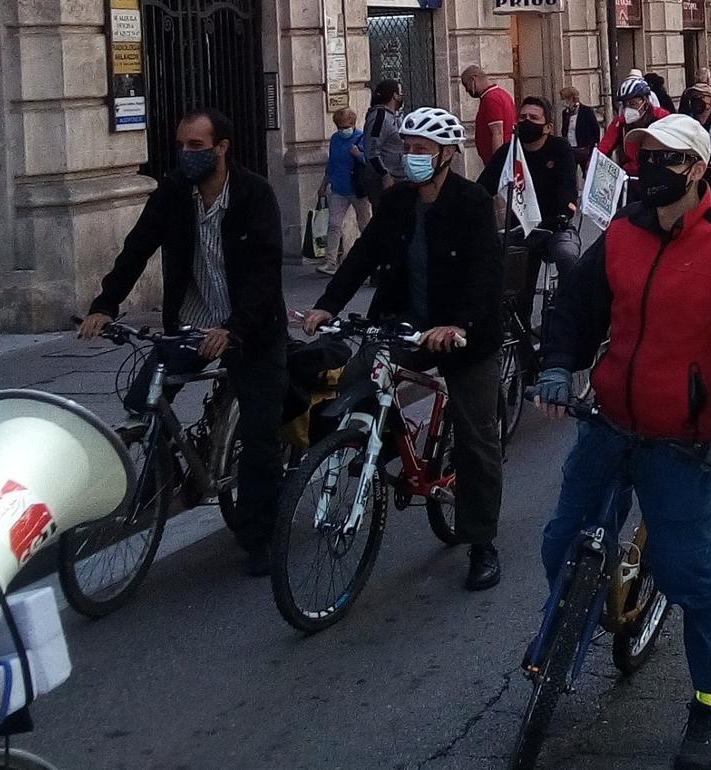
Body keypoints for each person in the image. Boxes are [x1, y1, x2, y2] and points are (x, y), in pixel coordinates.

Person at [532, 113, 711, 770]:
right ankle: (569, 637)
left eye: (668, 158)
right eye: (644, 155)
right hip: (611, 422)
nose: (650, 168)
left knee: (691, 576)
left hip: (686, 443)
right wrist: (558, 363)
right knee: (562, 542)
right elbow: (576, 309)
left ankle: (710, 707)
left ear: (699, 169)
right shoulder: (621, 234)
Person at [298, 107, 507, 591]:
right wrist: (326, 306)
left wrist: (459, 324)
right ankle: (367, 448)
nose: (411, 157)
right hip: (406, 325)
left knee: (477, 439)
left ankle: (481, 543)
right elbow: (363, 256)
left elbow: (486, 277)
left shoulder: (473, 202)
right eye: (407, 148)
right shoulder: (396, 204)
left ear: (448, 155)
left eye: (422, 150)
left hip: (463, 333)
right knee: (356, 378)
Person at [79, 108, 288, 577]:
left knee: (260, 435)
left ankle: (259, 537)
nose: (186, 154)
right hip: (191, 325)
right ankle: (162, 468)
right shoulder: (174, 192)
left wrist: (234, 328)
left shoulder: (254, 194)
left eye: (196, 146)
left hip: (249, 330)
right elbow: (137, 247)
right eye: (181, 146)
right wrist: (105, 305)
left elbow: (263, 273)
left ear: (221, 148)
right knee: (143, 401)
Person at [478, 96, 578, 324]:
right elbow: (482, 190)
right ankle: (520, 344)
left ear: (548, 127)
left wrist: (564, 212)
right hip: (520, 230)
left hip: (556, 227)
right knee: (514, 295)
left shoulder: (559, 148)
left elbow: (567, 186)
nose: (526, 121)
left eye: (533, 118)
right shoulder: (508, 152)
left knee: (568, 256)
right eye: (522, 117)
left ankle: (568, 314)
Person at [315, 107, 373, 276]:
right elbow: (331, 164)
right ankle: (330, 261)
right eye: (339, 127)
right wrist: (323, 185)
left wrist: (358, 155)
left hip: (357, 189)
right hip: (339, 188)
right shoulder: (334, 139)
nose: (342, 130)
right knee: (334, 225)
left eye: (344, 126)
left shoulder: (361, 138)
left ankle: (370, 258)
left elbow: (369, 161)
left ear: (352, 124)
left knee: (365, 225)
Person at [598, 76, 672, 178]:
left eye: (632, 103)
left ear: (645, 101)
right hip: (631, 177)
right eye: (624, 104)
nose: (627, 108)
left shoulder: (662, 118)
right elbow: (603, 148)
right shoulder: (620, 122)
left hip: (658, 175)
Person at [362, 79, 406, 213]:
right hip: (384, 182)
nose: (402, 97)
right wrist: (385, 175)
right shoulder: (380, 117)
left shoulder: (392, 116)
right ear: (394, 95)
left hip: (397, 178)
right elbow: (372, 150)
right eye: (400, 93)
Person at [461, 65, 517, 165]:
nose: (467, 90)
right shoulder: (502, 94)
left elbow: (497, 133)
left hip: (499, 160)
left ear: (473, 79)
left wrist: (497, 164)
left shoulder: (490, 99)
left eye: (466, 85)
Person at [560, 85, 601, 175]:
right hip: (571, 149)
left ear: (572, 98)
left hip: (584, 149)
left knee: (588, 174)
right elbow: (565, 129)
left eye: (565, 99)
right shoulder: (565, 113)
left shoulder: (586, 111)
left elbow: (595, 130)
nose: (563, 102)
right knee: (569, 174)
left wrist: (593, 148)